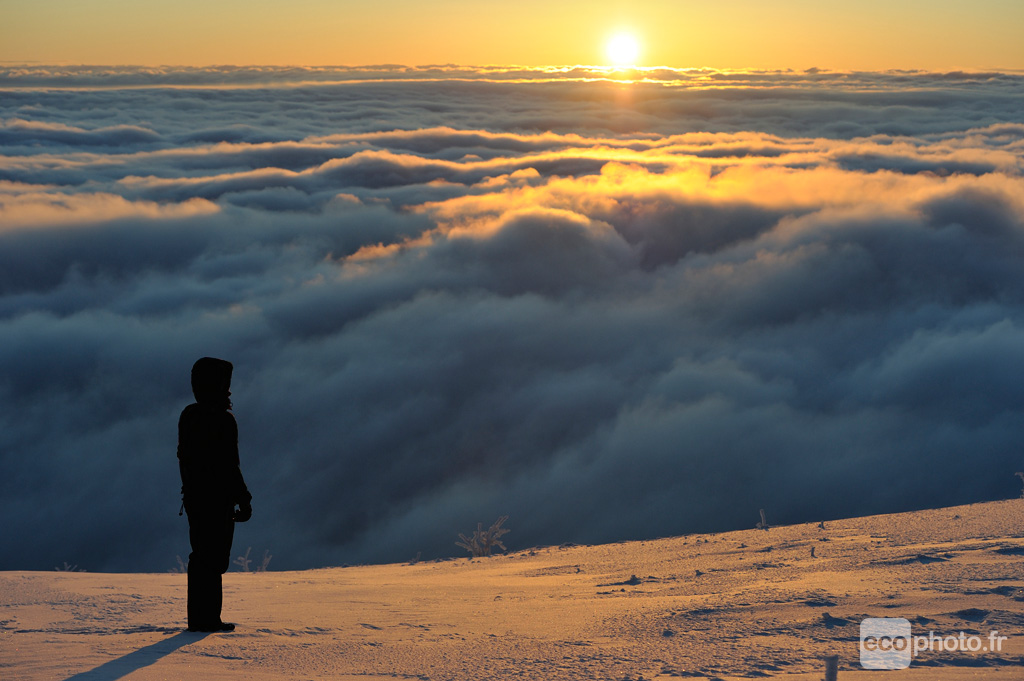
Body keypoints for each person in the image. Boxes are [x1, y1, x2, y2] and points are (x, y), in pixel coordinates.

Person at [177, 357, 252, 632]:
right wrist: (244, 499)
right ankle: (206, 620)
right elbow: (229, 465)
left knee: (201, 555)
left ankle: (201, 618)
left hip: (195, 499)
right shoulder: (223, 420)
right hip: (216, 500)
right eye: (225, 385)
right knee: (214, 557)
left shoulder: (189, 416)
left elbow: (186, 459)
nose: (229, 391)